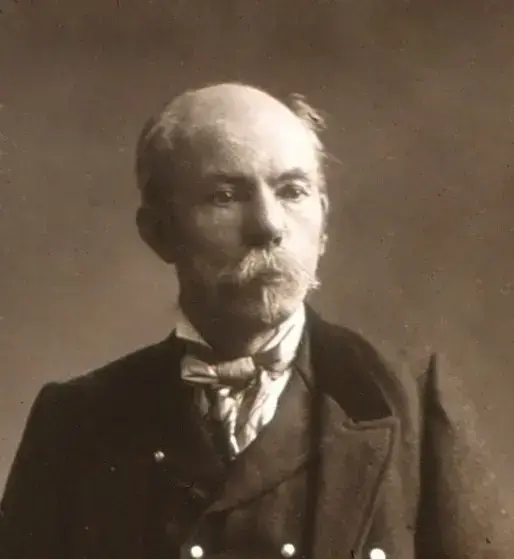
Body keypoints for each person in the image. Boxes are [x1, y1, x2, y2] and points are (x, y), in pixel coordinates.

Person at [0, 82, 511, 559]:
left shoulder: (409, 402)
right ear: (159, 232)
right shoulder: (76, 423)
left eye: (292, 191)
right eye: (225, 196)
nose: (268, 225)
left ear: (323, 222)